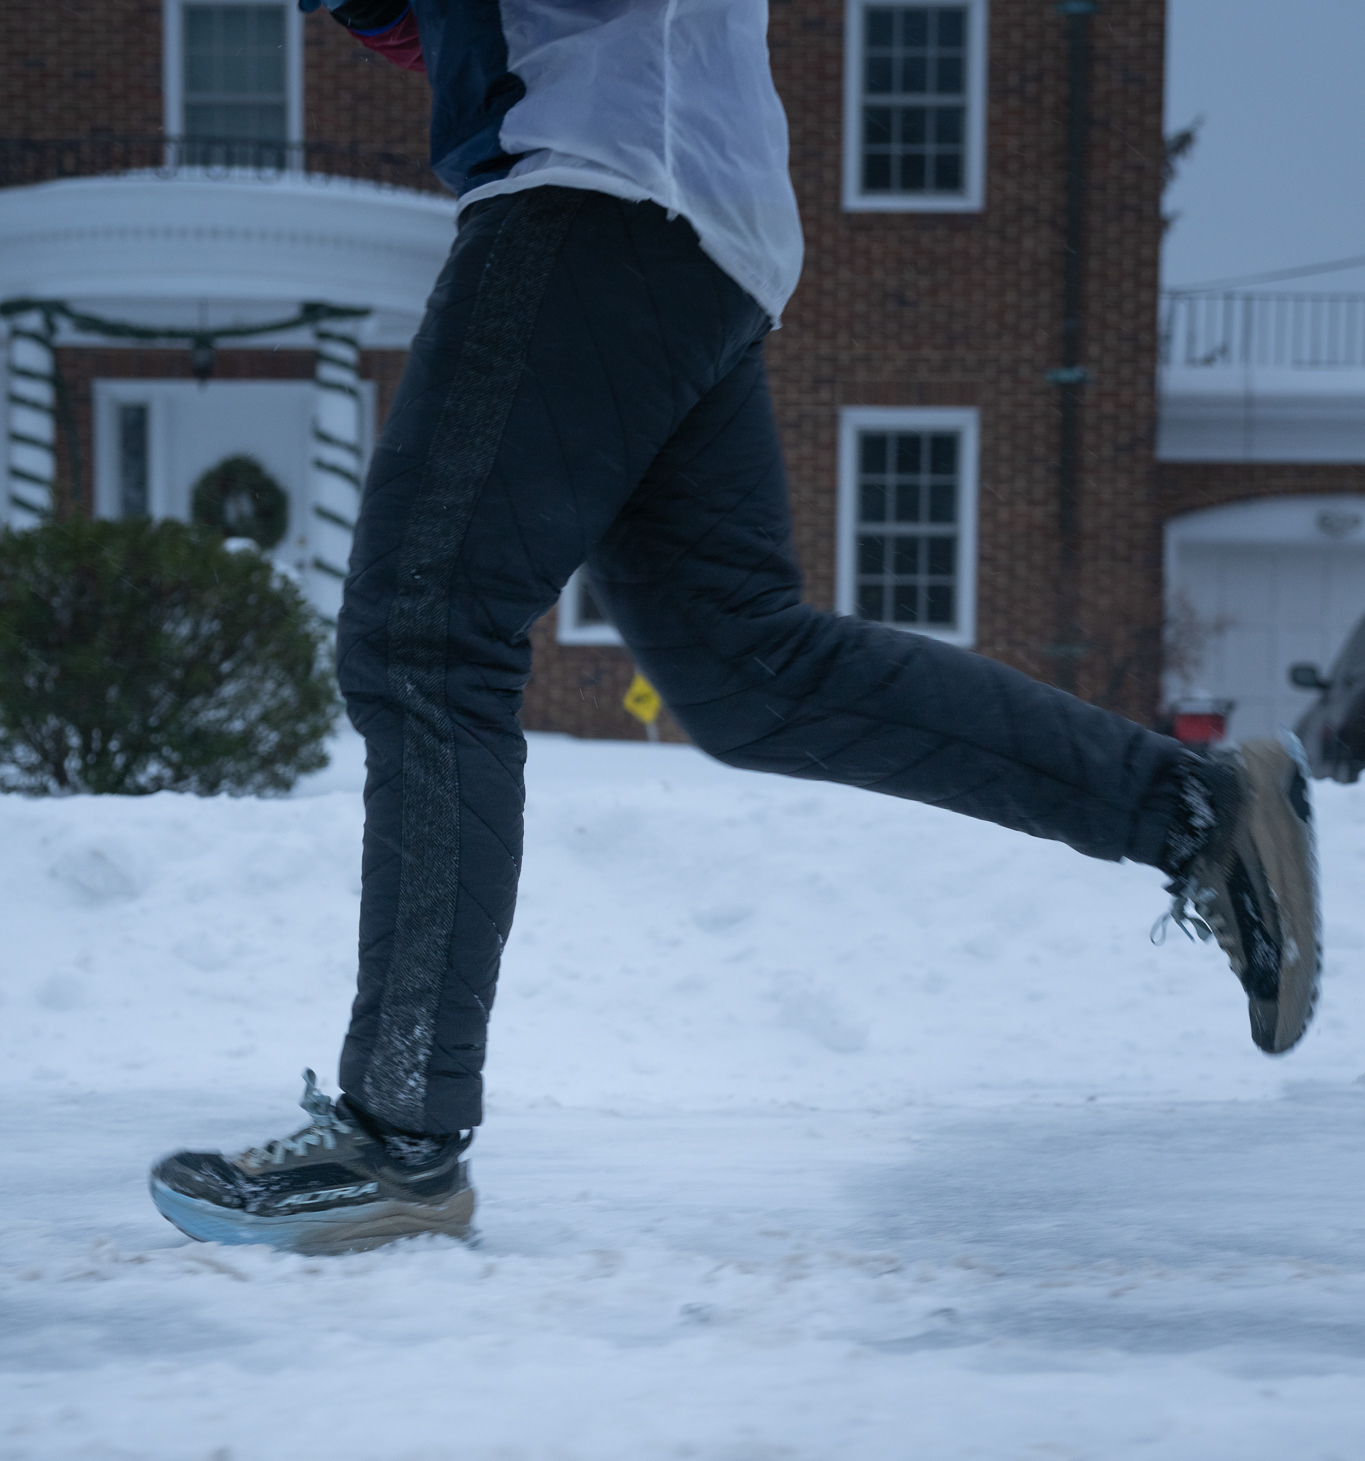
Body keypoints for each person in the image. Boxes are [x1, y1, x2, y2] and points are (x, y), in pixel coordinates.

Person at [150, 0, 1322, 1255]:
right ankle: (1195, 810)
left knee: (424, 640)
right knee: (749, 669)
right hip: (689, 212)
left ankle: (399, 1136)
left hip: (599, 180)